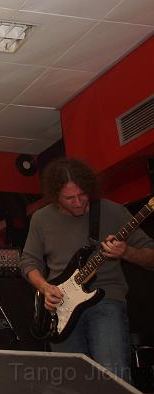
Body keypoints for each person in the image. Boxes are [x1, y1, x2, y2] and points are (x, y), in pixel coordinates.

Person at [20, 158, 154, 382]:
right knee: (71, 382)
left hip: (106, 300)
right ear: (55, 196)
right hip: (61, 308)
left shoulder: (113, 212)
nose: (78, 202)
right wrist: (45, 287)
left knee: (113, 376)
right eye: (69, 198)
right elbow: (28, 262)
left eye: (82, 195)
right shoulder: (41, 219)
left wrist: (127, 252)